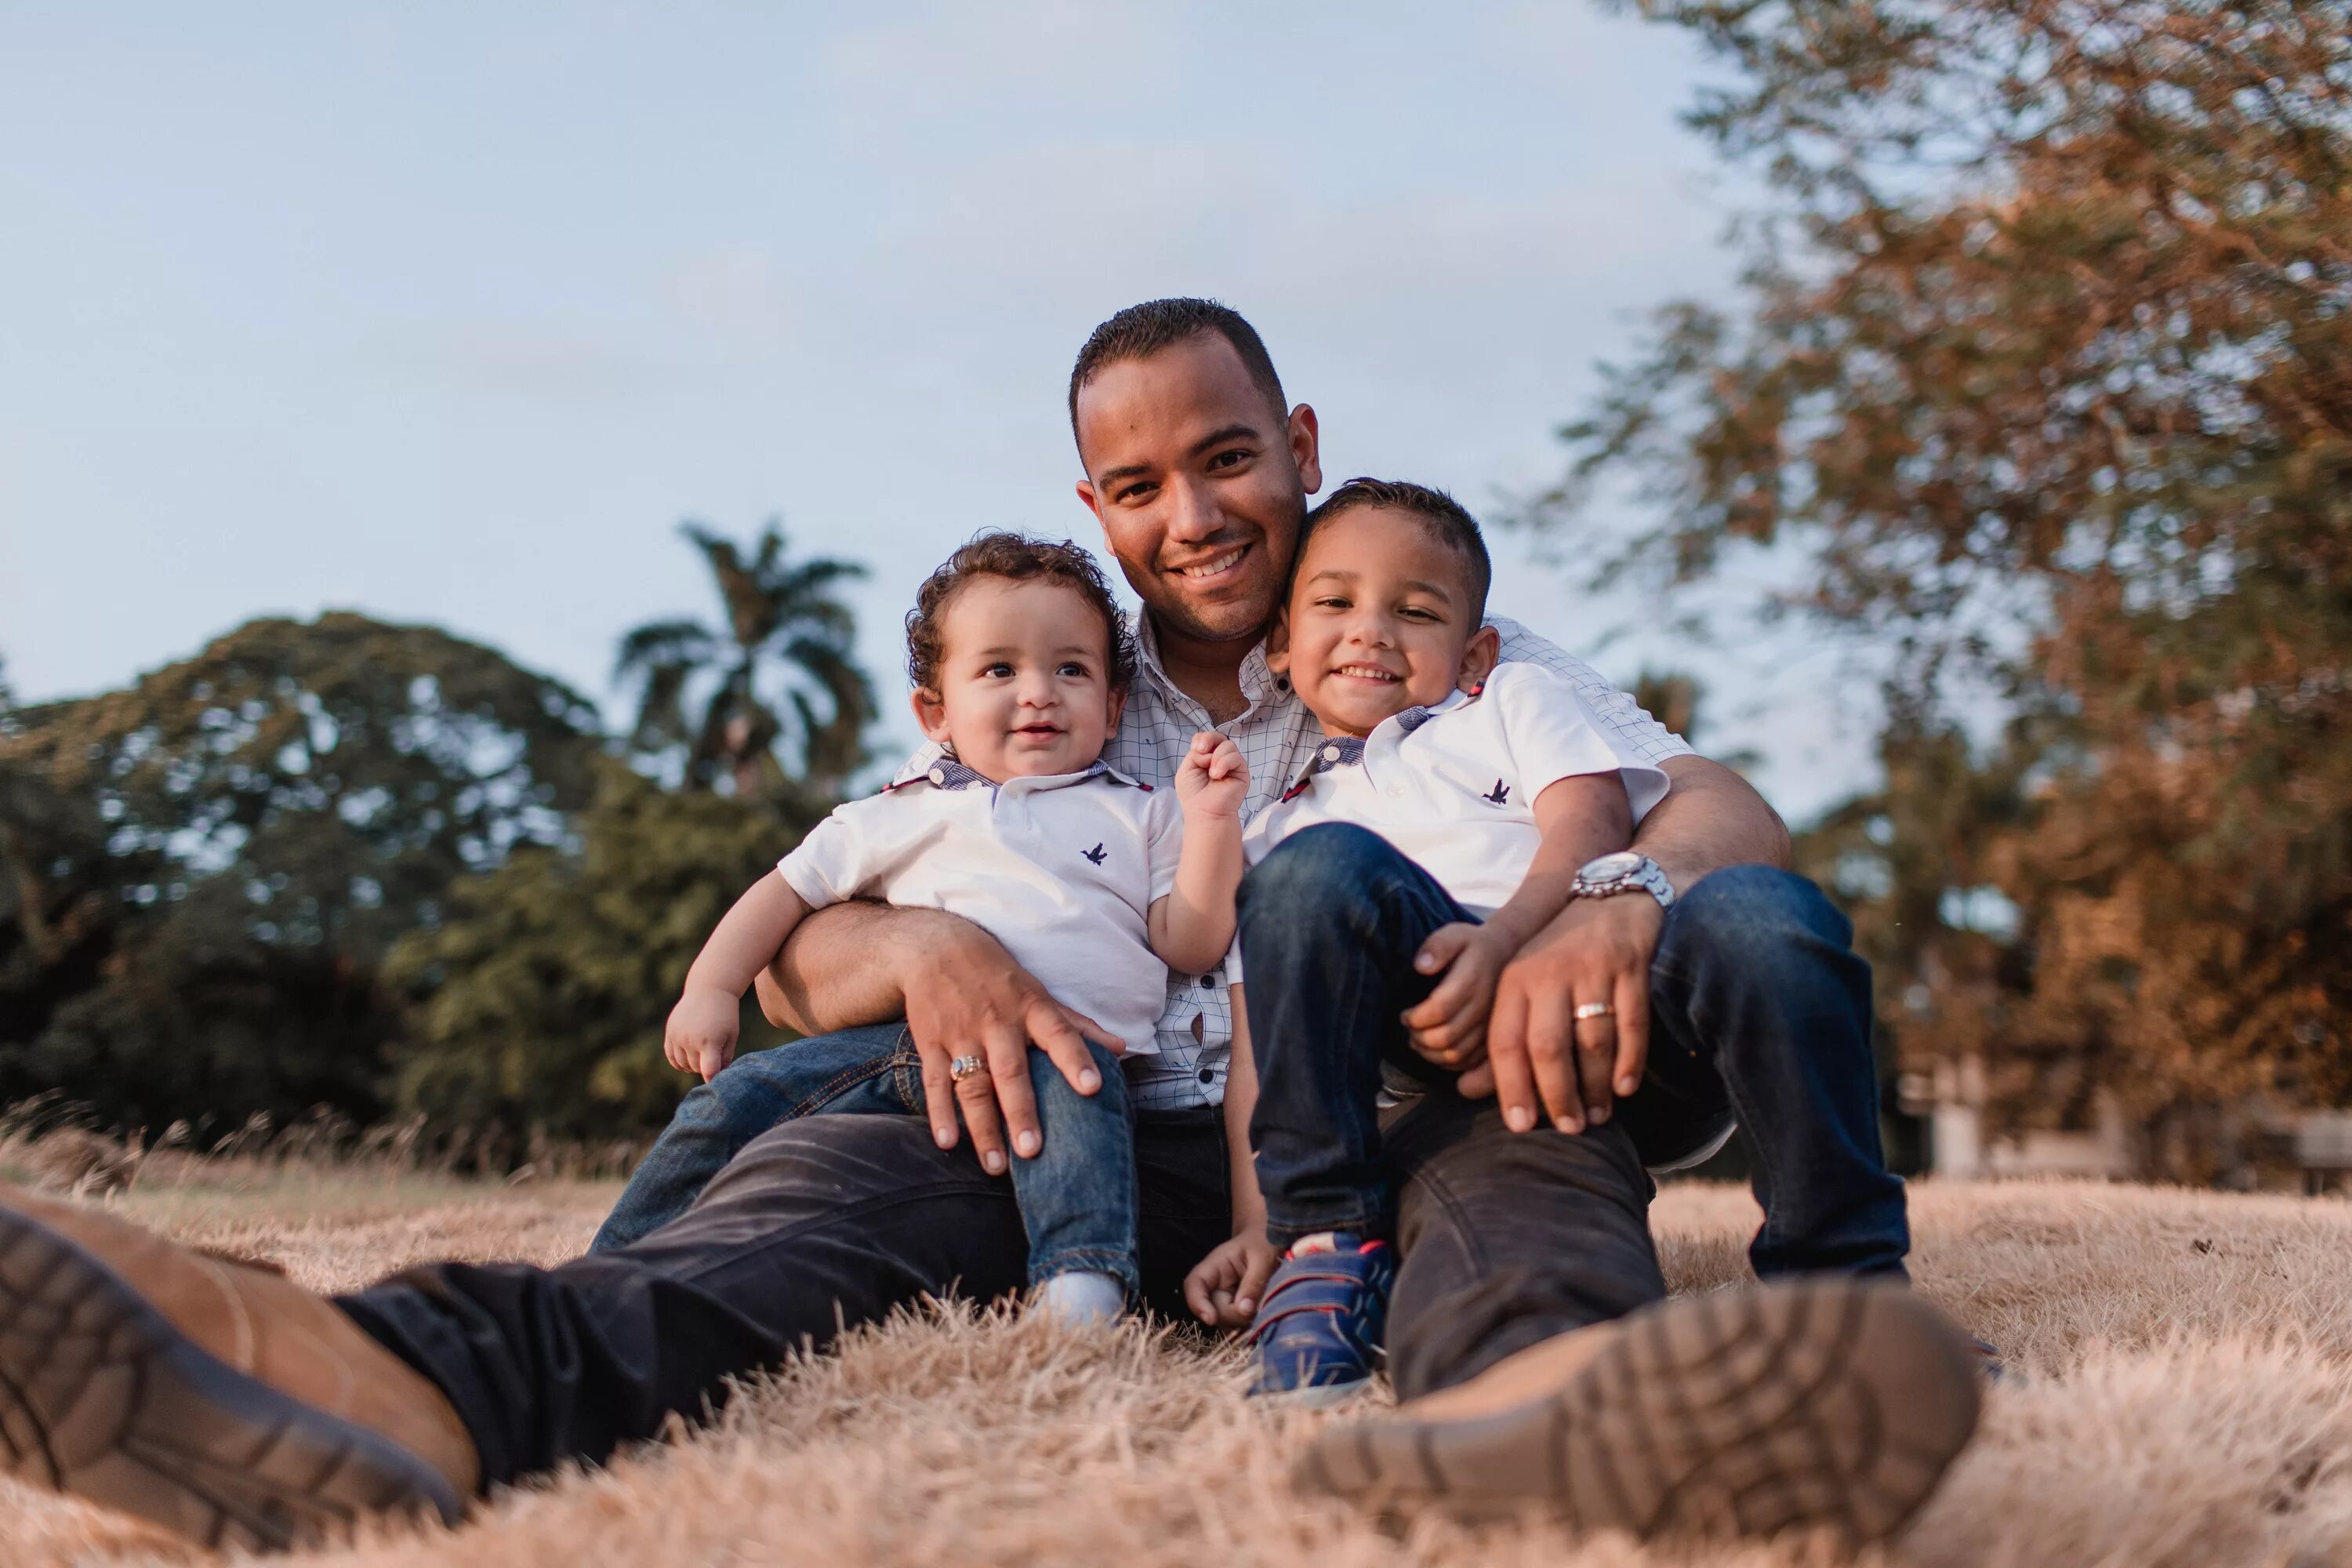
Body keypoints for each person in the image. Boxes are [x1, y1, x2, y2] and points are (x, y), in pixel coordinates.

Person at [0, 298, 1975, 1554]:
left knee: (1523, 1178)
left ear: (1297, 441)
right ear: (1092, 503)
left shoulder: (1415, 626)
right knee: (810, 1214)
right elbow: (810, 934)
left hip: (1378, 1101)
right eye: (1139, 482)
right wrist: (928, 955)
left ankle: (1546, 1412)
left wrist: (1613, 900)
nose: (1190, 511)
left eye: (1223, 457)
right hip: (1075, 1101)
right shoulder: (1040, 671)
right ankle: (389, 1386)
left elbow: (1709, 800)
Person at [588, 533, 1248, 1327]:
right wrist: (711, 986)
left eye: (1071, 668)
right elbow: (784, 892)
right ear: (935, 710)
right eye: (1000, 669)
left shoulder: (1142, 808)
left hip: (1077, 1050)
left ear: (1112, 706)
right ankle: (604, 1274)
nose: (1038, 691)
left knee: (1080, 1086)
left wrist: (1212, 824)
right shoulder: (903, 805)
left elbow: (1191, 941)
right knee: (732, 1099)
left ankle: (1082, 1288)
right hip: (906, 1045)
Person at [1201, 477, 1671, 1400]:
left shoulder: (1505, 707)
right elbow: (1264, 1045)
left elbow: (1592, 815)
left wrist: (1513, 934)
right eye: (1336, 603)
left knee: (1531, 1241)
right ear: (1283, 651)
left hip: (1538, 1016)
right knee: (1312, 872)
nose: (1373, 629)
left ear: (1475, 652)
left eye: (1414, 611)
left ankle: (1544, 1385)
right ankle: (1325, 1246)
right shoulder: (1275, 829)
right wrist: (1260, 1220)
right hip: (1389, 1078)